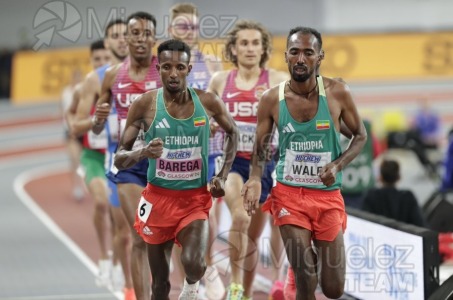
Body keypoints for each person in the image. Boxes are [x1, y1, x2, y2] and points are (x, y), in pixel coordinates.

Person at [242, 26, 367, 299]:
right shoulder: (271, 99)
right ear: (285, 56)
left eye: (308, 53)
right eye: (295, 52)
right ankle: (299, 270)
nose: (300, 59)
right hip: (288, 195)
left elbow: (360, 135)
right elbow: (260, 147)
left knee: (334, 289)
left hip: (327, 198)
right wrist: (254, 177)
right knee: (306, 279)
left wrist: (337, 165)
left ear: (320, 57)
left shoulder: (337, 93)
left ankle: (296, 269)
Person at [112, 39, 238, 300]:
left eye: (179, 67)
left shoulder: (208, 102)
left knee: (194, 263)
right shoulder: (145, 105)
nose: (173, 73)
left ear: (188, 69)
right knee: (159, 285)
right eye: (167, 67)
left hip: (194, 200)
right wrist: (143, 152)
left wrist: (222, 176)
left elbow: (233, 133)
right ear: (158, 68)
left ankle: (191, 289)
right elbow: (119, 158)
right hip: (157, 200)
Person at [207, 19, 288, 299]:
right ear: (234, 48)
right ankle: (236, 287)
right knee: (239, 217)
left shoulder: (276, 80)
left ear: (264, 48)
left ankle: (246, 291)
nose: (250, 49)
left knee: (251, 239)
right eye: (244, 43)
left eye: (256, 43)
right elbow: (205, 119)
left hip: (266, 165)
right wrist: (212, 125)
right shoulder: (220, 81)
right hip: (231, 163)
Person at [92, 12, 161, 300]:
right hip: (129, 164)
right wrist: (98, 118)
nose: (141, 39)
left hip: (165, 164)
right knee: (139, 235)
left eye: (147, 34)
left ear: (154, 39)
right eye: (135, 34)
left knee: (165, 239)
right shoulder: (111, 75)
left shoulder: (167, 70)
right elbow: (97, 127)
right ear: (127, 39)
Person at [167, 3, 225, 299]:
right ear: (171, 30)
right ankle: (189, 284)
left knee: (207, 218)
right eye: (182, 27)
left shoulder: (212, 64)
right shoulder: (162, 68)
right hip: (172, 155)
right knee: (177, 223)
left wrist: (213, 122)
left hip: (207, 154)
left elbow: (220, 106)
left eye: (193, 28)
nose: (189, 33)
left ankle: (209, 266)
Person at [73, 19, 134, 298]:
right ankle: (114, 268)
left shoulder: (148, 73)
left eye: (126, 34)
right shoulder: (94, 81)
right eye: (115, 36)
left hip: (144, 157)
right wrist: (97, 119)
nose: (122, 40)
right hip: (102, 158)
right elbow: (74, 124)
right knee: (118, 222)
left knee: (150, 230)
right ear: (107, 43)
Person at [66, 39, 112, 287]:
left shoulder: (122, 84)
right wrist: (80, 127)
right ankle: (104, 256)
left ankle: (116, 258)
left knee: (121, 215)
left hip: (118, 158)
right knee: (102, 202)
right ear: (91, 61)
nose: (102, 64)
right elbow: (71, 115)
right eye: (97, 60)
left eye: (107, 59)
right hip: (93, 157)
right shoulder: (85, 87)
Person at [362, 159, 425, 227]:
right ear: (398, 177)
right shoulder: (407, 197)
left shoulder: (371, 196)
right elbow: (419, 223)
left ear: (380, 177)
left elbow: (364, 223)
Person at [61, 68, 84, 201]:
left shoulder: (85, 92)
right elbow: (63, 110)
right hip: (70, 132)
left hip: (84, 130)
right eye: (75, 78)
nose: (77, 81)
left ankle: (86, 183)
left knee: (85, 160)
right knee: (74, 160)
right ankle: (77, 187)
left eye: (79, 78)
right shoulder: (65, 92)